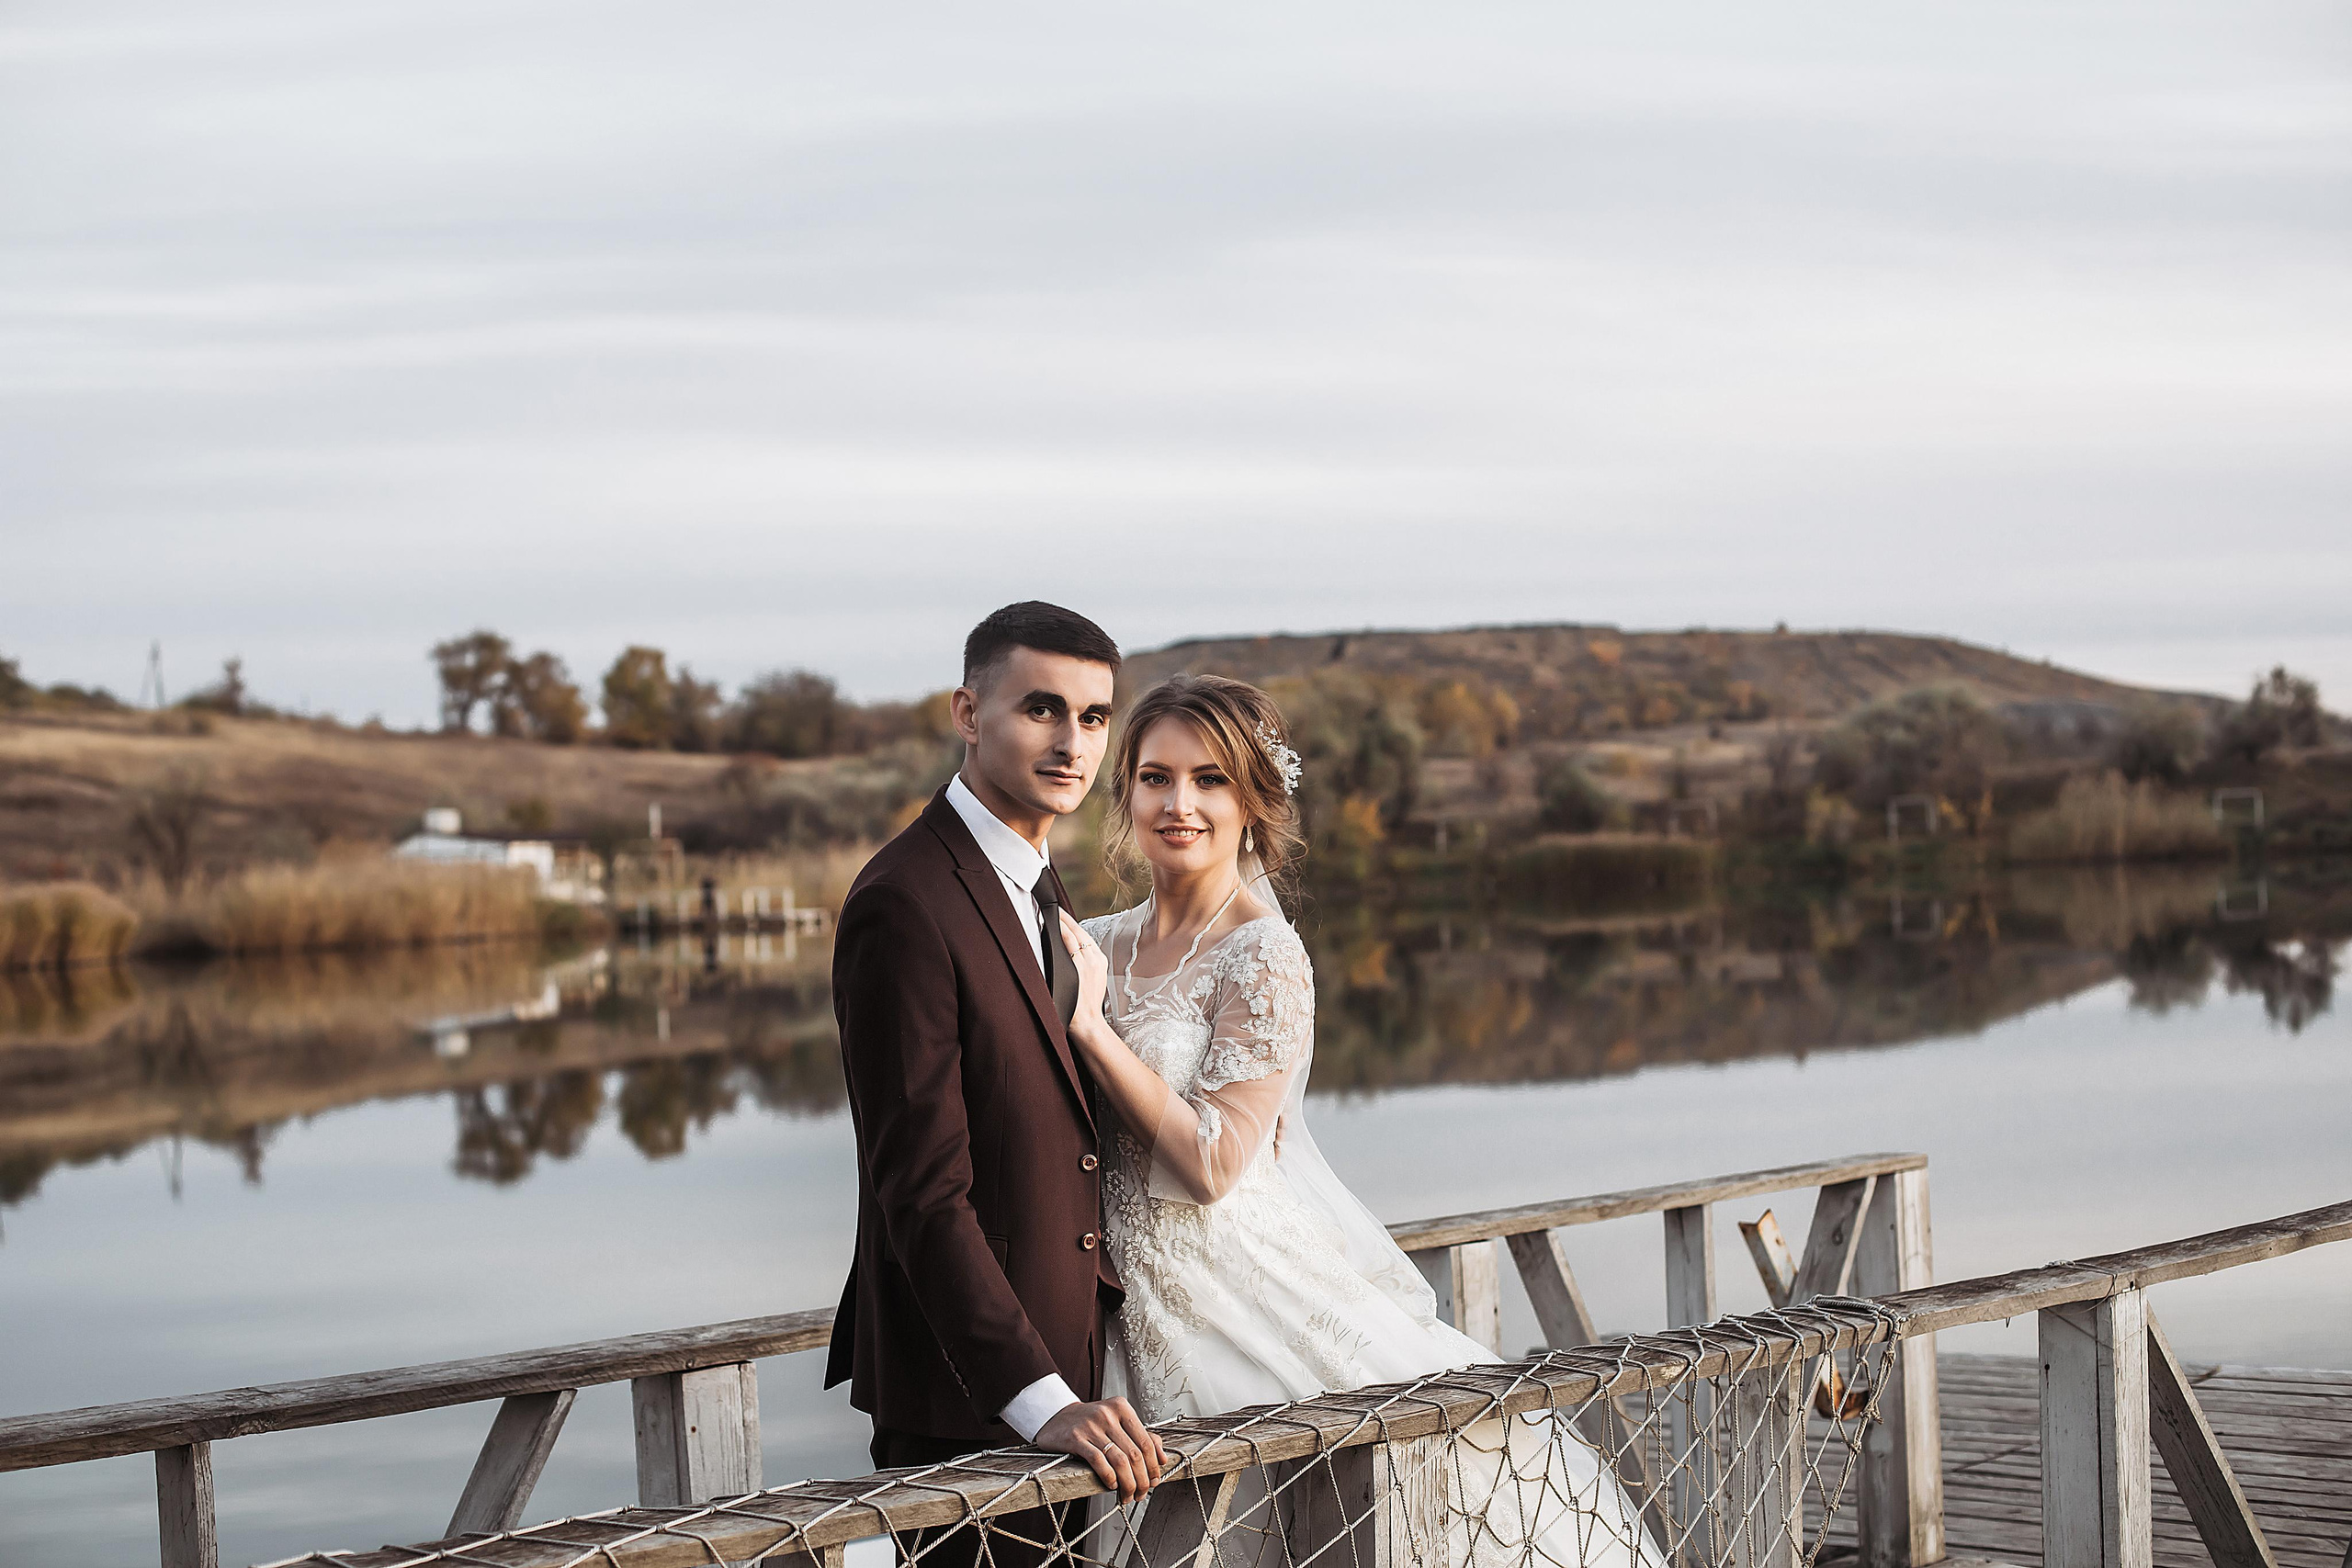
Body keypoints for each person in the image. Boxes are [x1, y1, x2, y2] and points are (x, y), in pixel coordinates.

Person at [1057, 673, 1663, 1568]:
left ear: (1254, 801)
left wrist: (1088, 1029)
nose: (1178, 803)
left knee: (1330, 1510)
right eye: (1155, 777)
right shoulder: (1094, 943)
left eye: (1210, 779)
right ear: (1127, 794)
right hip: (1118, 1296)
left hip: (1240, 1289)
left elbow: (1215, 1164)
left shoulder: (1263, 954)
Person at [826, 602, 1168, 1568]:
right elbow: (921, 1192)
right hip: (971, 1397)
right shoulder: (904, 901)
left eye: (1095, 718)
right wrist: (1038, 1398)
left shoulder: (1032, 882)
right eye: (1042, 710)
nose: (1072, 744)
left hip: (1067, 1371)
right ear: (968, 714)